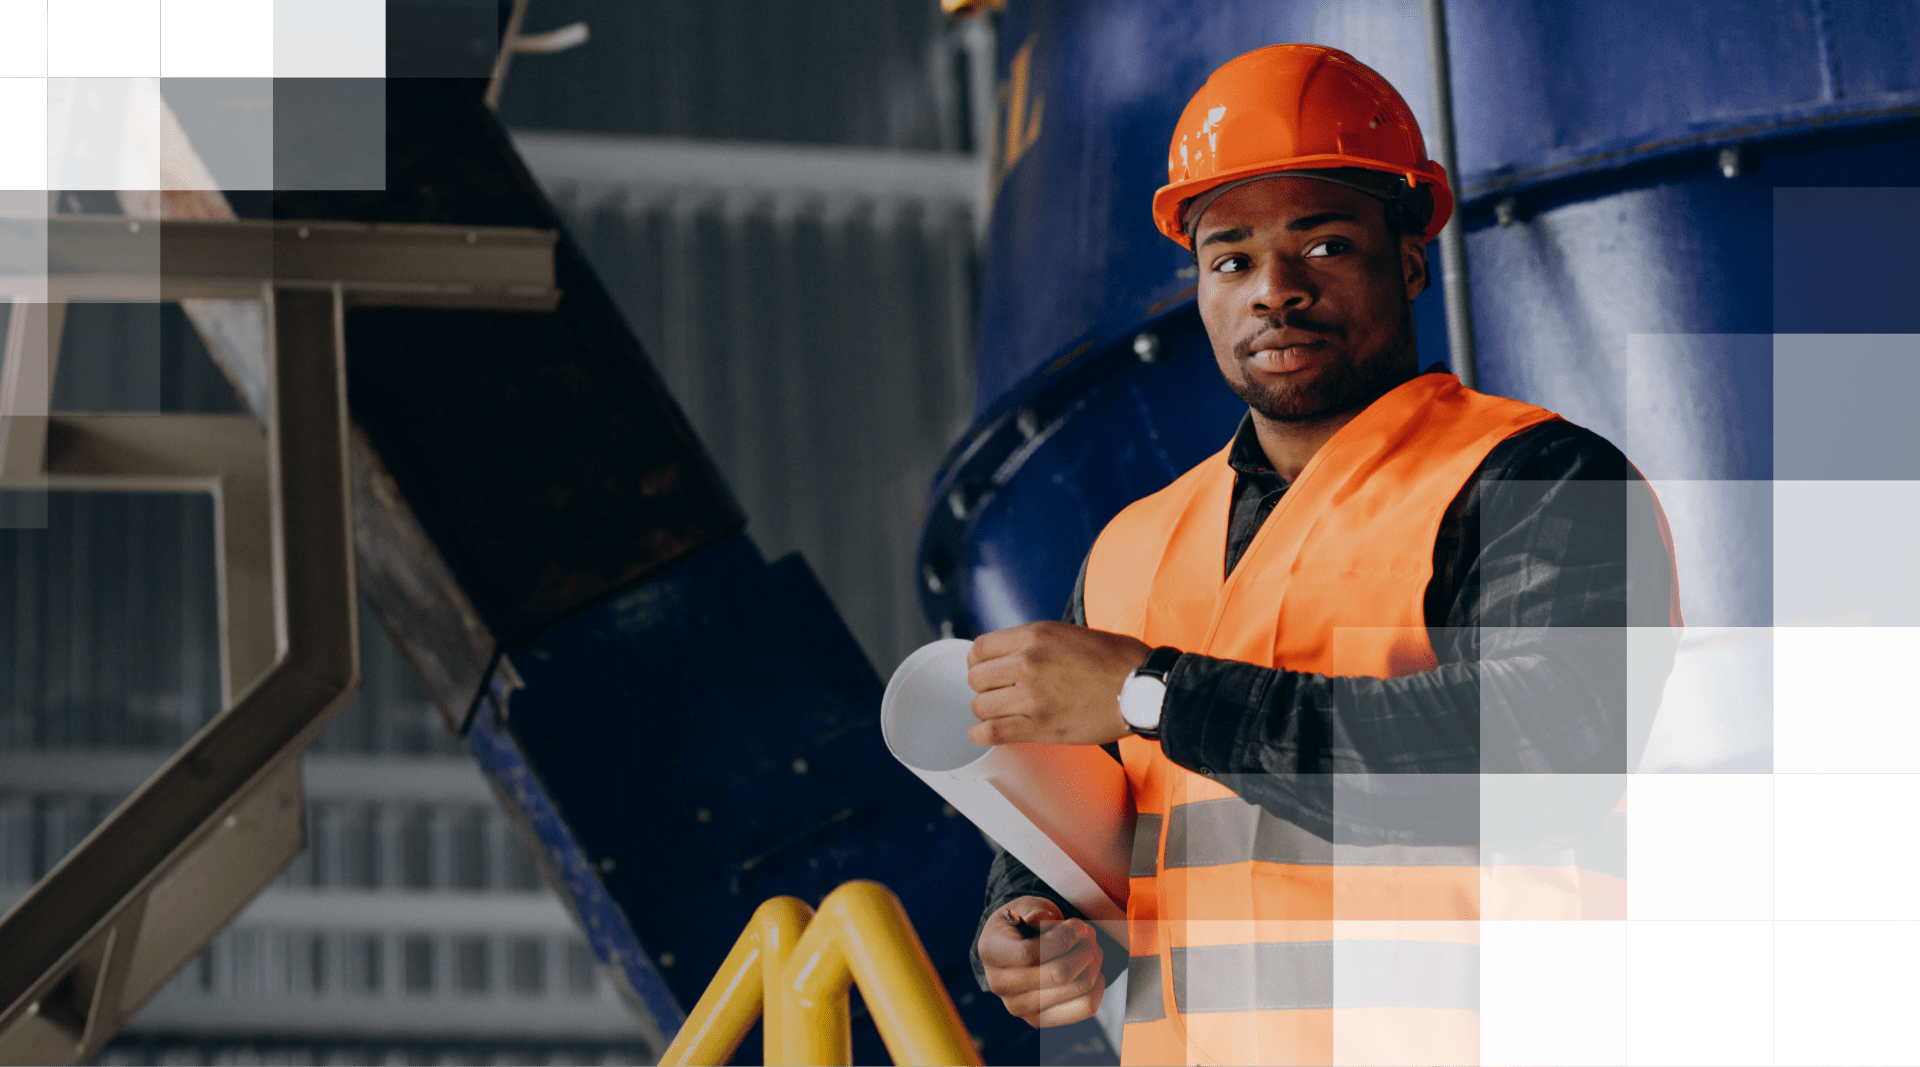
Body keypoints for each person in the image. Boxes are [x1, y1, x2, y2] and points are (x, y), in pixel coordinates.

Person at [966, 44, 1680, 1066]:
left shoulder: (1538, 480)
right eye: (1231, 259)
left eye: (1326, 245)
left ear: (1409, 258)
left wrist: (1152, 696)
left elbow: (1541, 759)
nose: (1275, 290)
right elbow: (1094, 820)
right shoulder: (1130, 548)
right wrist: (1028, 916)